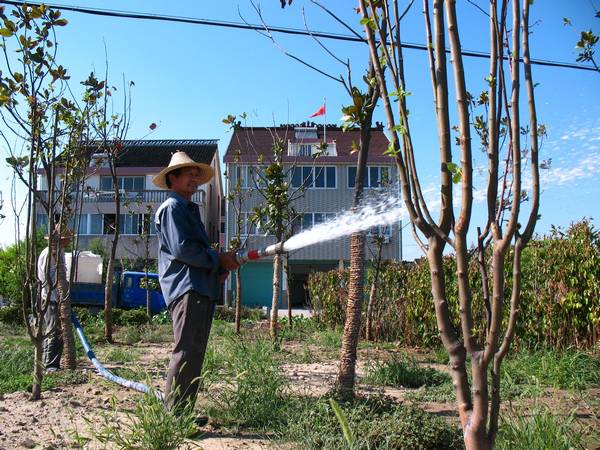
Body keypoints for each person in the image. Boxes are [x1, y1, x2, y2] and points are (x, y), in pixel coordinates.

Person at [152, 151, 239, 415]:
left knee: (195, 352)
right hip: (187, 289)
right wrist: (217, 259)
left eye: (196, 175)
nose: (195, 178)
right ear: (173, 178)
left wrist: (217, 269)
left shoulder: (189, 210)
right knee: (187, 350)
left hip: (199, 288)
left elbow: (196, 253)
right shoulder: (173, 208)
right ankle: (174, 415)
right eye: (189, 174)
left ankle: (183, 413)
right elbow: (183, 250)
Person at [37, 225, 72, 372]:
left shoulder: (58, 252)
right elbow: (50, 278)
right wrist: (60, 295)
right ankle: (50, 366)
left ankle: (49, 362)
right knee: (54, 332)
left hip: (54, 298)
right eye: (66, 239)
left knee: (55, 332)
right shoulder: (51, 254)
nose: (68, 241)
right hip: (51, 298)